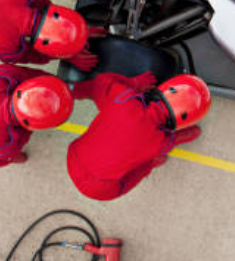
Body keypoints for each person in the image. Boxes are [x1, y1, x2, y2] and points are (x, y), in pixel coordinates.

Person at [67, 72, 211, 200]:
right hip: (100, 189)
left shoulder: (123, 98)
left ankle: (73, 91)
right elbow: (165, 145)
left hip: (74, 156)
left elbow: (100, 83)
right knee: (143, 165)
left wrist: (133, 84)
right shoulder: (159, 142)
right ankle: (154, 162)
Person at [0, 0, 99, 70]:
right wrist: (66, 51)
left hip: (37, 31)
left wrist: (73, 32)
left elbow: (33, 56)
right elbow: (43, 3)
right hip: (39, 30)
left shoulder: (7, 50)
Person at [0, 65, 73, 168]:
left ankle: (18, 158)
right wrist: (55, 81)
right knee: (11, 157)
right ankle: (19, 159)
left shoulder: (1, 76)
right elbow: (30, 74)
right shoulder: (6, 144)